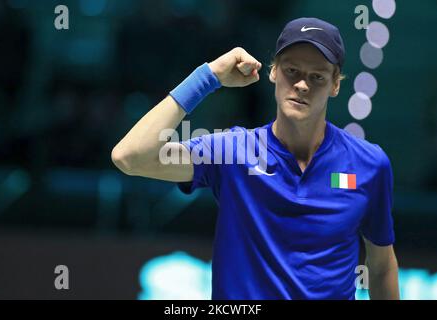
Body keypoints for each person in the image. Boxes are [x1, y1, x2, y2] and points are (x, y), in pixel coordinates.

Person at [112, 17, 399, 300]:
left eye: (317, 77)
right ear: (273, 71)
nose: (301, 85)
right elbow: (130, 157)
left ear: (335, 84)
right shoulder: (232, 152)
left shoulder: (370, 164)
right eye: (291, 71)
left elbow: (382, 266)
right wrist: (208, 77)